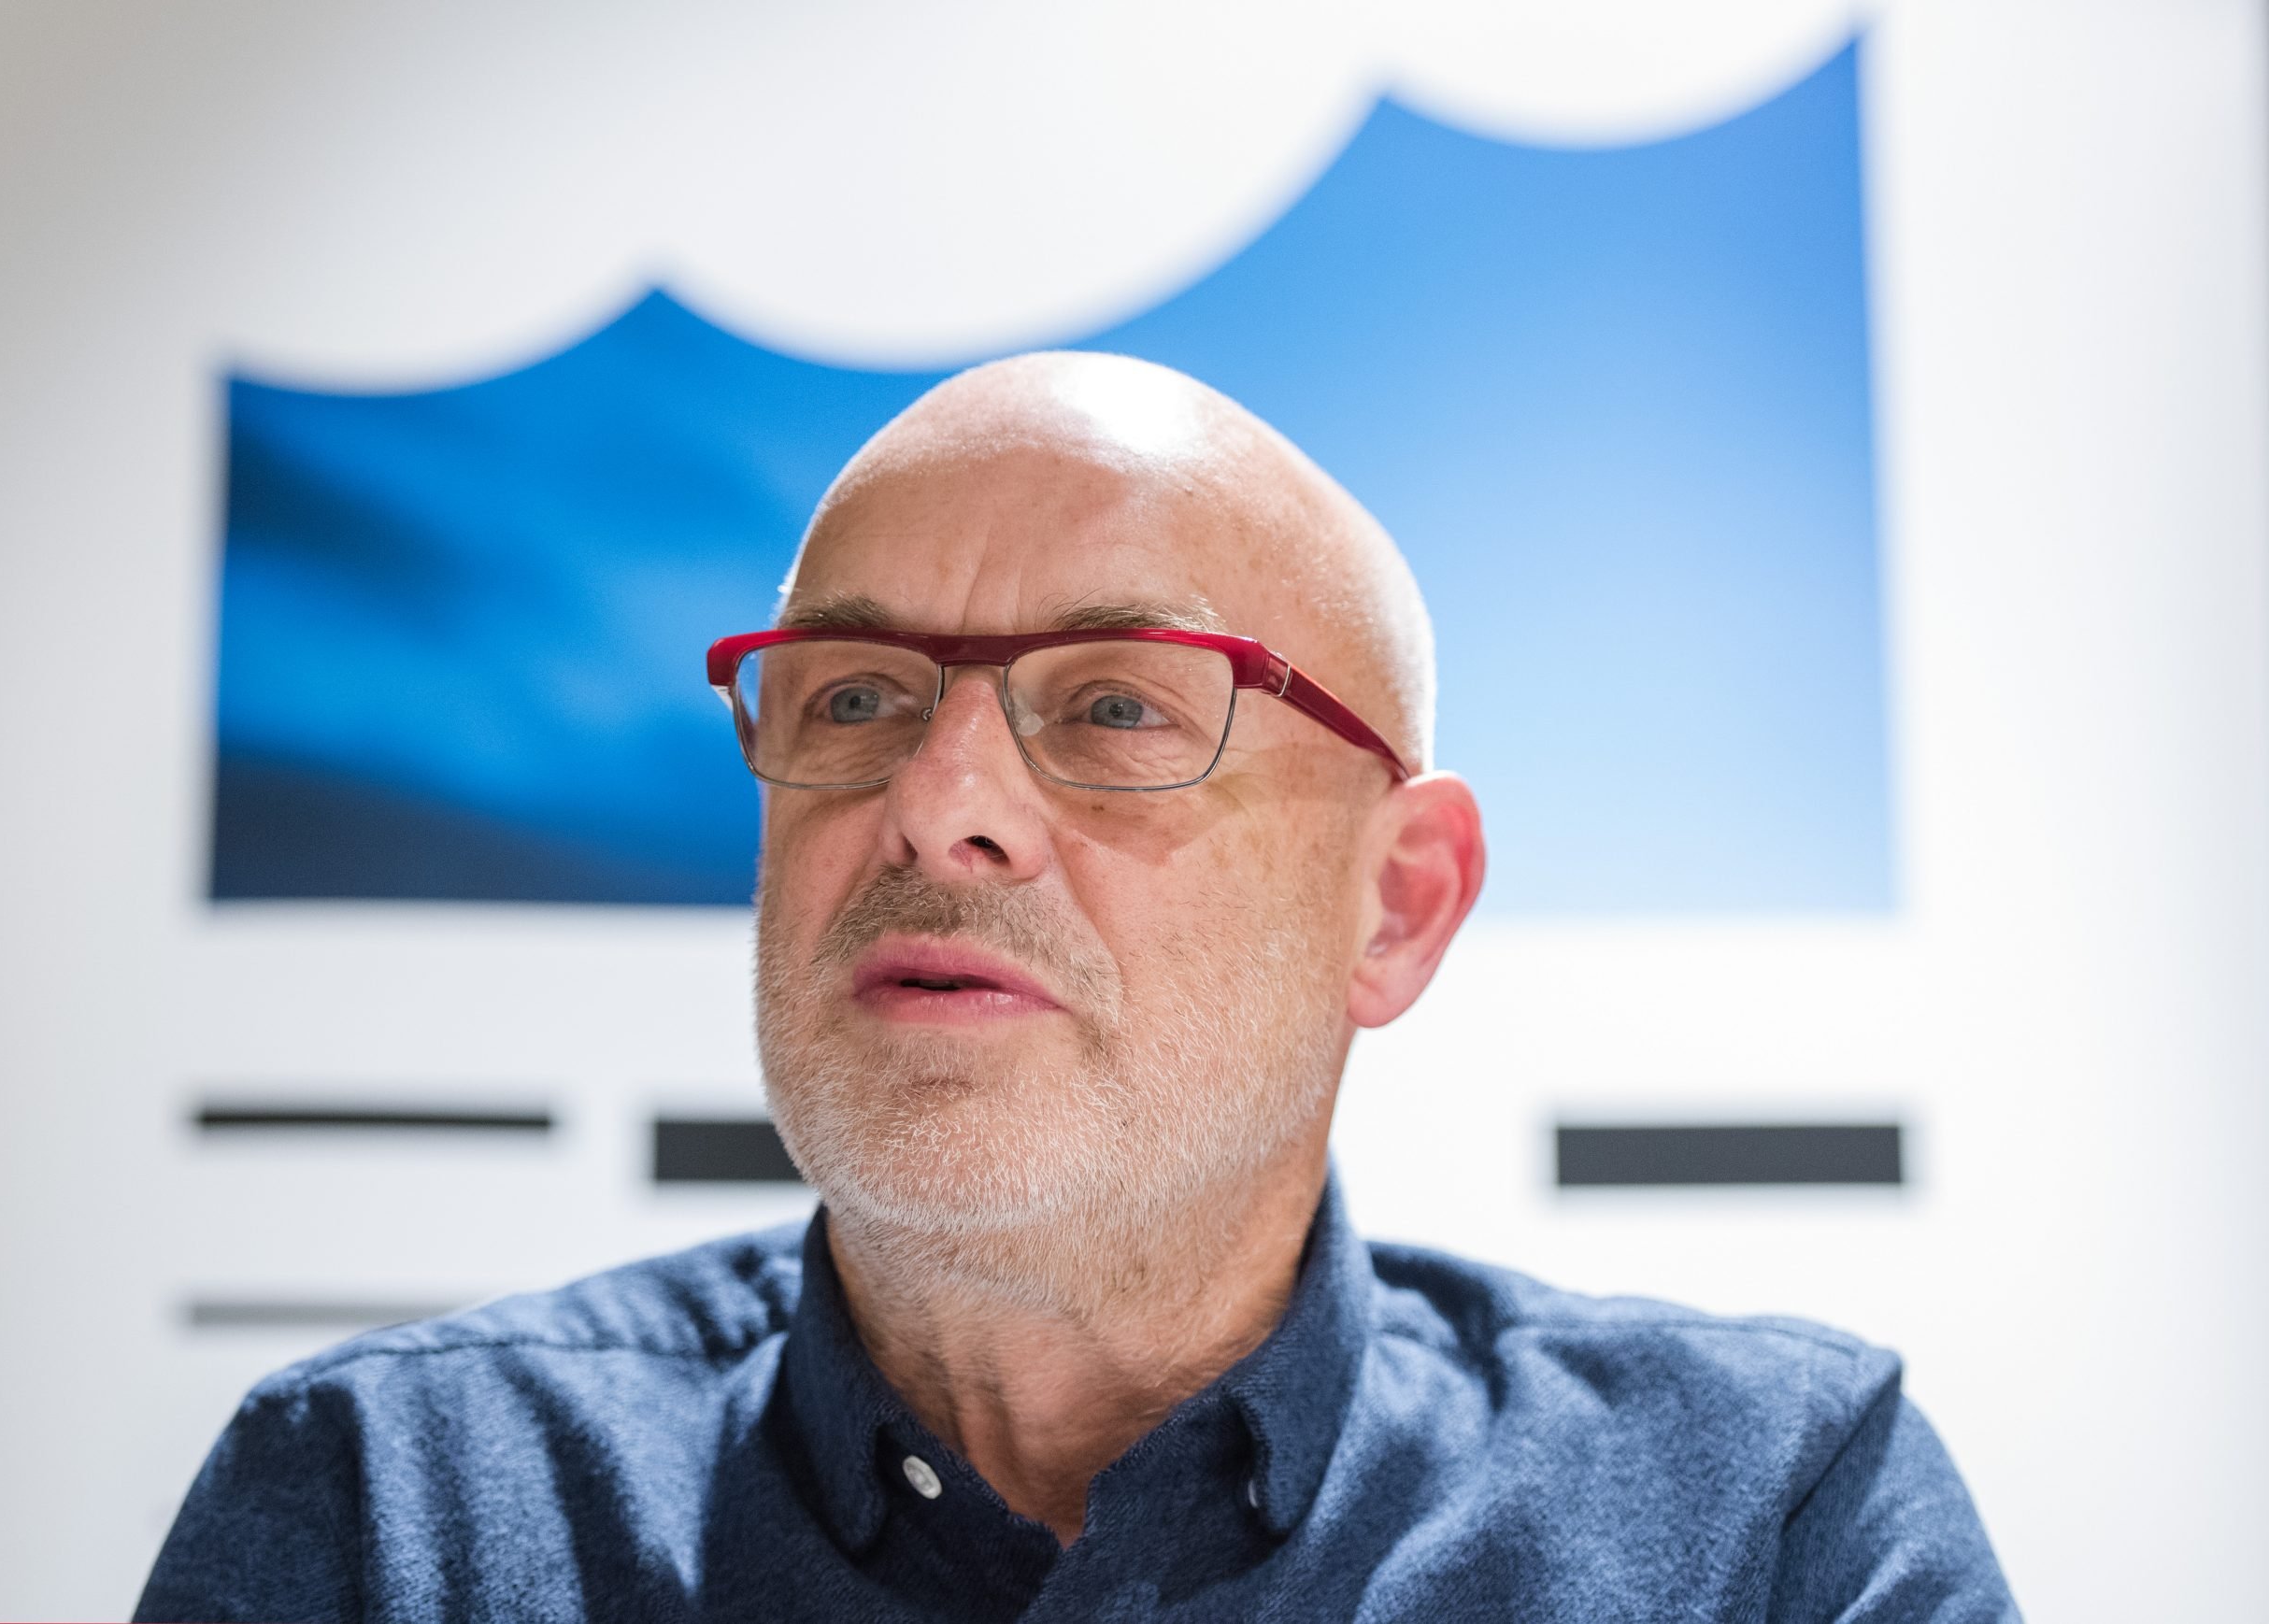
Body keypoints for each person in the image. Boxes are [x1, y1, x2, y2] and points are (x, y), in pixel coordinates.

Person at [138, 353, 2018, 1621]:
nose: (937, 805)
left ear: (1395, 901)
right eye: (854, 699)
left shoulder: (1762, 1525)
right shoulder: (393, 1516)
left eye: (1117, 705)